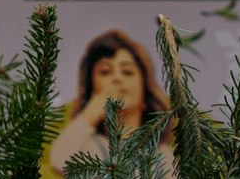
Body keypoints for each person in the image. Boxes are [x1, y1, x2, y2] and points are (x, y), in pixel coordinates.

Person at [42, 30, 176, 177]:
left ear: (145, 92)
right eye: (105, 72)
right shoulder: (91, 147)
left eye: (127, 72)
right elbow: (59, 159)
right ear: (92, 90)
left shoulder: (162, 155)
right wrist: (91, 112)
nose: (117, 78)